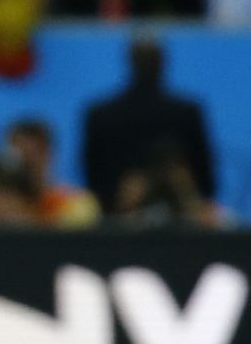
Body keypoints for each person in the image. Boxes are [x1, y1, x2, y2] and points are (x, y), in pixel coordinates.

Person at [81, 36, 216, 216]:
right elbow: (205, 180)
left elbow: (93, 180)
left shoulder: (101, 115)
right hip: (173, 222)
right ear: (162, 63)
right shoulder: (185, 113)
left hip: (118, 221)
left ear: (130, 62)